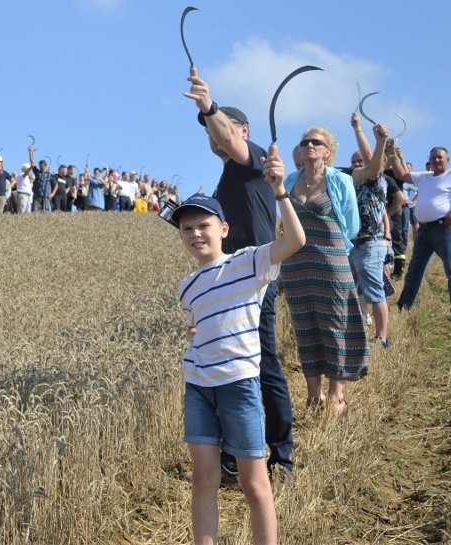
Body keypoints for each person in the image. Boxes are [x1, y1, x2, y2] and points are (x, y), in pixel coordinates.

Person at [175, 145, 305, 545]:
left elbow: (295, 240)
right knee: (203, 479)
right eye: (187, 229)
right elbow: (199, 324)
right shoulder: (187, 286)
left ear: (224, 229)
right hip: (198, 387)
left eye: (204, 225)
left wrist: (281, 190)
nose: (196, 233)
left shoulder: (249, 262)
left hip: (239, 385)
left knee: (254, 483)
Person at [185, 69, 295, 482]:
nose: (215, 138)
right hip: (227, 283)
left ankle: (281, 457)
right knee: (230, 364)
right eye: (209, 132)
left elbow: (231, 140)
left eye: (221, 130)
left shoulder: (254, 159)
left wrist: (208, 106)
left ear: (242, 130)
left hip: (254, 279)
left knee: (262, 363)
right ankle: (238, 454)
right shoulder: (229, 174)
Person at [281, 126, 368, 415]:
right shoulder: (289, 180)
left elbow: (352, 226)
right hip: (296, 266)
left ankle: (336, 394)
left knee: (334, 327)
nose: (308, 145)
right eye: (304, 141)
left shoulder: (340, 180)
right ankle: (312, 395)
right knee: (305, 328)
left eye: (315, 142)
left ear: (326, 151)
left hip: (332, 263)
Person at [389, 145, 451, 321]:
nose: (436, 160)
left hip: (443, 228)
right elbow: (400, 174)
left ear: (447, 160)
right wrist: (391, 152)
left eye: (440, 157)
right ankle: (403, 306)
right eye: (433, 158)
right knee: (414, 269)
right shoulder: (424, 177)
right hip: (424, 230)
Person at [346, 123, 394, 346]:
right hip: (353, 244)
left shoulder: (377, 180)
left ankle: (382, 338)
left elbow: (369, 157)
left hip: (371, 243)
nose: (358, 164)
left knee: (375, 292)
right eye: (354, 162)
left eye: (360, 161)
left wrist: (358, 130)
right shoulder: (353, 183)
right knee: (353, 292)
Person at [28, 145, 56, 212]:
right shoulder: (37, 172)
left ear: (45, 166)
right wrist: (30, 153)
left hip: (46, 196)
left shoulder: (49, 175)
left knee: (45, 212)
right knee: (35, 211)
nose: (41, 167)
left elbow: (56, 184)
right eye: (40, 166)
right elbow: (33, 163)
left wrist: (53, 193)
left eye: (42, 166)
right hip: (37, 195)